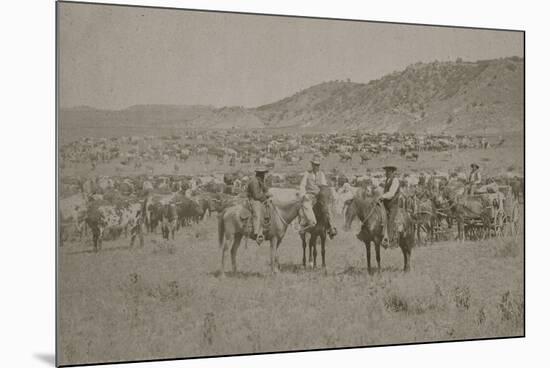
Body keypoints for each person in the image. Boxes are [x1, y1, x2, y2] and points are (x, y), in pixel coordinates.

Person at [298, 156, 327, 233]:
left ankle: (330, 227)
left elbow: (324, 186)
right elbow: (302, 185)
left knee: (327, 209)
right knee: (306, 208)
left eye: (318, 165)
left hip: (319, 197)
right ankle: (304, 227)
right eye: (315, 164)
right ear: (312, 165)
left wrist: (322, 194)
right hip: (309, 197)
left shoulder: (322, 174)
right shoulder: (307, 174)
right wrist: (304, 195)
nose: (317, 166)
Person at [378, 165, 401, 248]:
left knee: (390, 220)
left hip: (393, 205)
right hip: (386, 204)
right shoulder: (387, 180)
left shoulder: (395, 180)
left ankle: (390, 242)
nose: (386, 173)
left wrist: (382, 196)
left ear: (392, 172)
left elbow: (391, 194)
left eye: (388, 171)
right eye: (386, 171)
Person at [247, 167, 271, 239]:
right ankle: (256, 232)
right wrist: (266, 195)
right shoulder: (254, 182)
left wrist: (268, 192)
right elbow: (256, 196)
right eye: (263, 174)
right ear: (259, 174)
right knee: (257, 212)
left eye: (264, 174)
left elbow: (265, 189)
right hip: (253, 200)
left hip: (259, 198)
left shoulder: (260, 181)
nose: (264, 175)